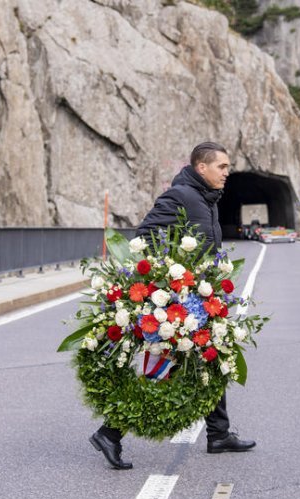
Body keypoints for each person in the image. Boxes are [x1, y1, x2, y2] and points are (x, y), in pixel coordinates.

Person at [89, 141, 256, 469]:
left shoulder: (209, 201)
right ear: (201, 168)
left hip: (202, 302)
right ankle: (110, 432)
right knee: (161, 373)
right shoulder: (180, 196)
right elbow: (146, 235)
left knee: (213, 362)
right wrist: (175, 276)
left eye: (228, 167)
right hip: (182, 304)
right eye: (221, 167)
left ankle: (218, 434)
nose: (227, 173)